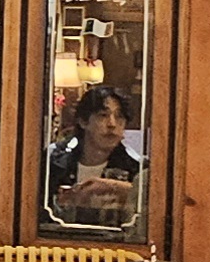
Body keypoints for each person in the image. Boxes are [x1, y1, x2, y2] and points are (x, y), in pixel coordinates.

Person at [46, 84, 143, 223]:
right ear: (83, 121)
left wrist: (122, 190)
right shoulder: (53, 159)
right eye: (103, 115)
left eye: (119, 117)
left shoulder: (135, 168)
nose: (112, 124)